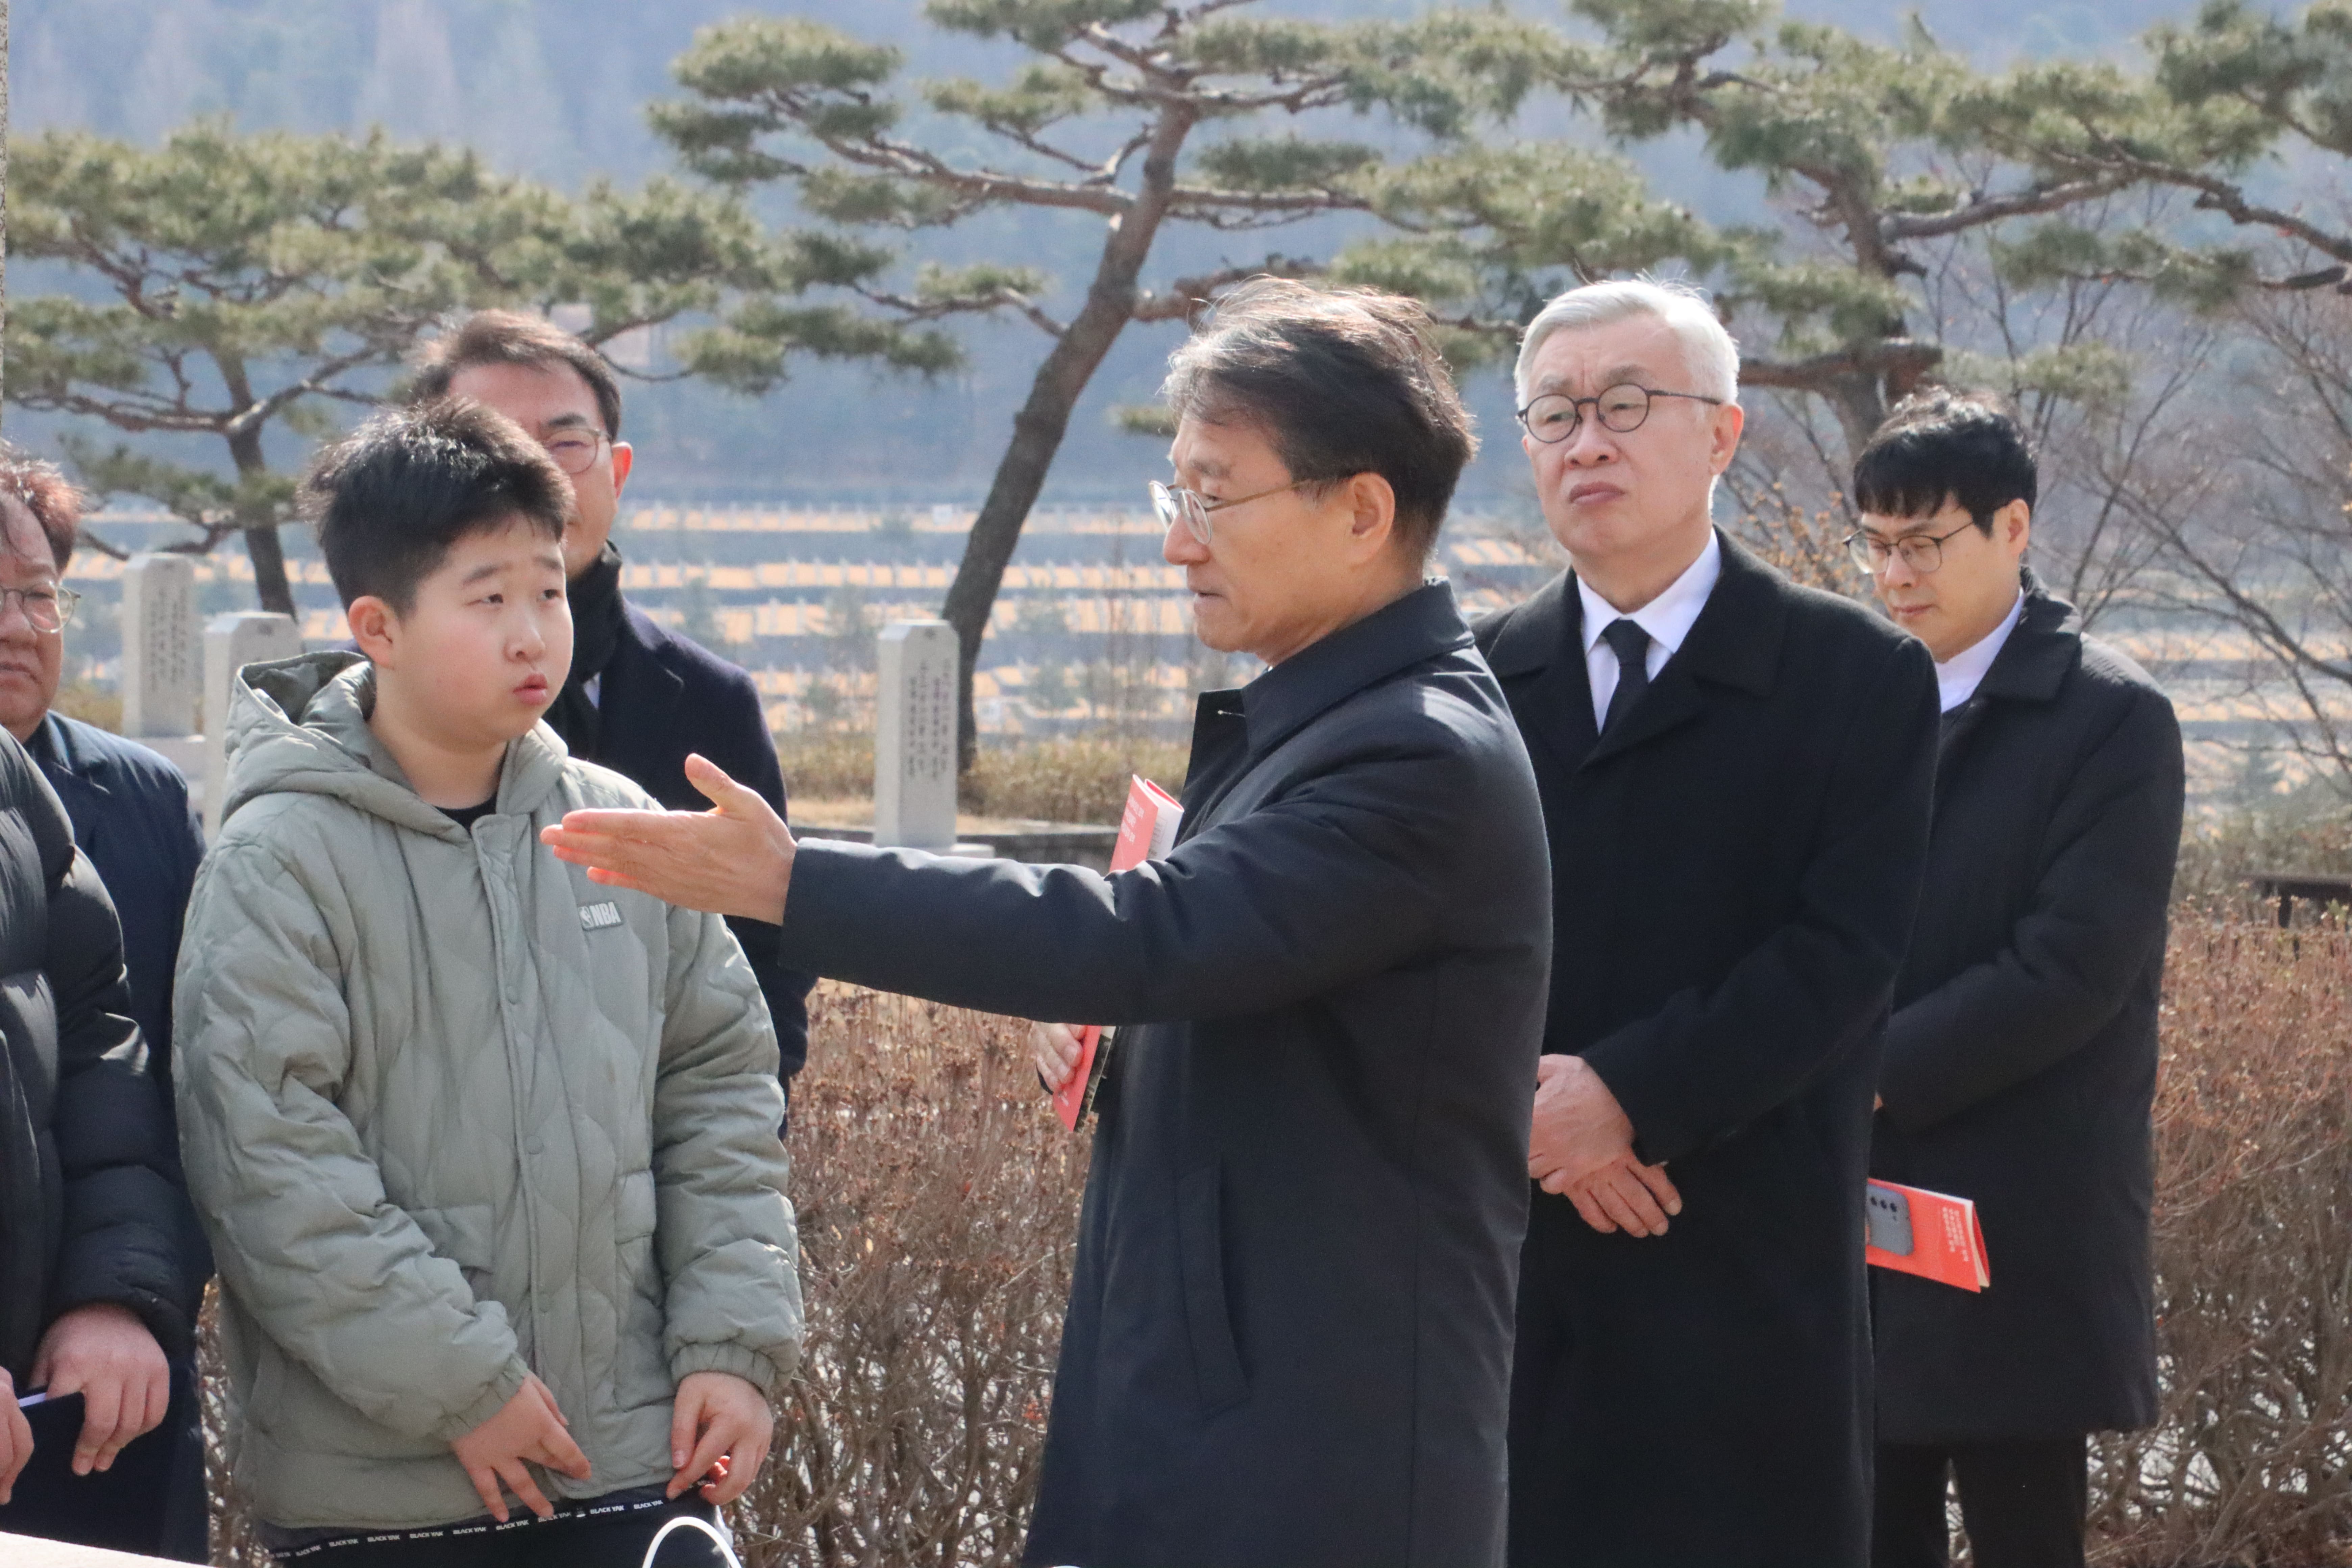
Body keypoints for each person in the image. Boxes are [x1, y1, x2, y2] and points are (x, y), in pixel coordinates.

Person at [544, 279, 1554, 1568]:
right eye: (1175, 497)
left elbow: (1150, 936)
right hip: (1218, 1398)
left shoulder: (1418, 756)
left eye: (1215, 498)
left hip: (1318, 1442)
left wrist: (792, 884)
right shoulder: (1321, 722)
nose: (1180, 545)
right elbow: (1218, 972)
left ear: (1362, 511)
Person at [172, 400, 800, 1567]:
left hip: (632, 1460)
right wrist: (464, 1384)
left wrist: (733, 1347)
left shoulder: (619, 827)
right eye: (489, 599)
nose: (532, 636)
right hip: (386, 1488)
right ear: (379, 626)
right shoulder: (282, 858)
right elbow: (269, 1158)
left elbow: (719, 1095)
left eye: (549, 592)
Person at [1475, 277, 1938, 1568]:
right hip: (1516, 1259)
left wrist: (1628, 1096)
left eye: (1626, 405)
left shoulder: (1855, 675)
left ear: (1724, 433)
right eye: (1556, 414)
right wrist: (1535, 1115)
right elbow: (1422, 953)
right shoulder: (1474, 681)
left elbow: (1842, 954)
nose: (1588, 443)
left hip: (1740, 1247)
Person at [1851, 393, 2183, 1568]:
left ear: (2014, 527)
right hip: (1858, 1186)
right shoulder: (1856, 701)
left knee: (2024, 1526)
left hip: (2022, 1198)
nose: (1897, 575)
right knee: (1865, 1520)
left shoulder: (2111, 715)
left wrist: (1863, 1072)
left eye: (1924, 543)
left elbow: (2074, 966)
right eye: (1877, 545)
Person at [409, 311, 816, 1102]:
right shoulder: (358, 705)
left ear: (617, 472)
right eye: (492, 445)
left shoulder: (710, 704)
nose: (535, 476)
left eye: (566, 443)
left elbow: (767, 969)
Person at [0, 450, 209, 1559]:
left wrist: (123, 1296)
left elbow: (146, 1077)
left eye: (38, 595)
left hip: (103, 1390)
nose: (19, 628)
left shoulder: (132, 802)